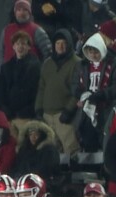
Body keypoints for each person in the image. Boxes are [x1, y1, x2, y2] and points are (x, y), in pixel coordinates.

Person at [75, 32, 116, 154]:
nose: (93, 55)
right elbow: (75, 85)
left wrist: (102, 95)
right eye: (90, 52)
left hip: (107, 110)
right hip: (88, 111)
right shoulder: (82, 65)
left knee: (107, 142)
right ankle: (90, 171)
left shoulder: (115, 63)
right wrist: (82, 96)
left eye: (96, 51)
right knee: (88, 142)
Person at [35, 29, 81, 159]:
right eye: (58, 43)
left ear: (69, 44)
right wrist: (38, 109)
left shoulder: (77, 63)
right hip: (47, 116)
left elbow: (78, 90)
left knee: (71, 151)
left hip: (64, 116)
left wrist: (68, 110)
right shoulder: (47, 63)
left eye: (63, 43)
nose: (60, 46)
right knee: (51, 153)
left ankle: (72, 177)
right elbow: (41, 88)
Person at [0, 31, 42, 140]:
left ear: (28, 47)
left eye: (23, 44)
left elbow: (35, 91)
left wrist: (28, 111)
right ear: (13, 46)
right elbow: (1, 92)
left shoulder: (35, 66)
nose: (20, 46)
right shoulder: (6, 67)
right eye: (17, 44)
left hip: (26, 116)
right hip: (9, 116)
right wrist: (6, 111)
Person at [0, 0, 52, 68]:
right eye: (19, 10)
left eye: (25, 10)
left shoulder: (37, 30)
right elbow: (1, 55)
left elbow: (48, 55)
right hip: (8, 75)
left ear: (29, 13)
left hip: (30, 75)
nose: (21, 13)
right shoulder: (6, 30)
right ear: (15, 13)